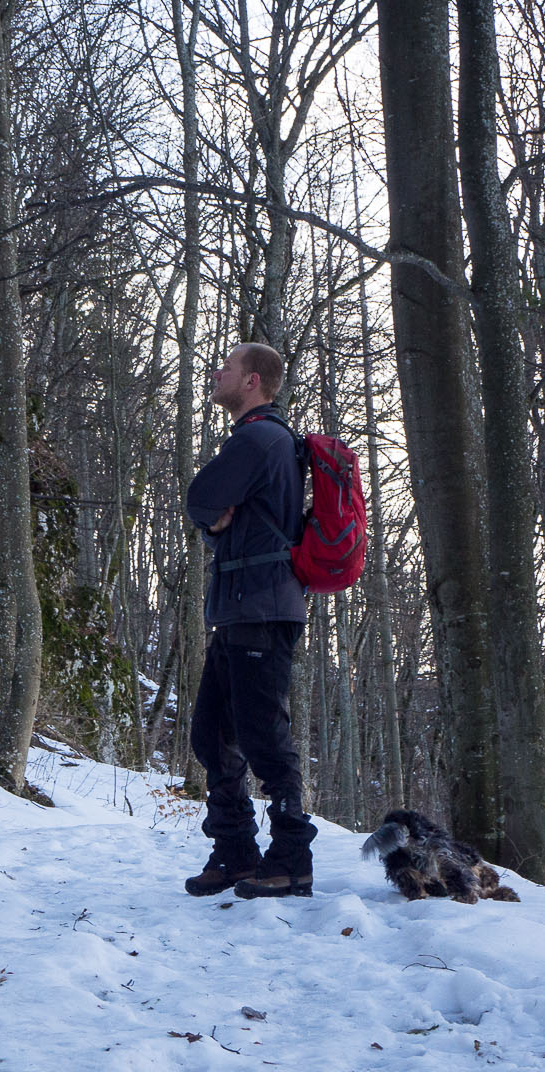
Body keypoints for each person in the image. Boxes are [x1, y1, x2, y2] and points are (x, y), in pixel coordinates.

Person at [183, 343, 318, 898]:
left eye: (228, 367)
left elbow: (200, 497)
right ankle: (237, 852)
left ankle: (291, 859)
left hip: (263, 607)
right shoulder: (261, 439)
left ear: (253, 381)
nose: (218, 372)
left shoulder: (260, 437)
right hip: (242, 609)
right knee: (212, 736)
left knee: (265, 738)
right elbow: (210, 507)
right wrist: (215, 522)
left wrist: (210, 518)